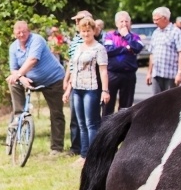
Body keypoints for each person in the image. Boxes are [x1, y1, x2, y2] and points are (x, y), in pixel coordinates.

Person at [6, 20, 67, 154]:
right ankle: (18, 116)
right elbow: (13, 69)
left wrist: (19, 74)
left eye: (24, 31)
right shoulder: (13, 48)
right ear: (14, 33)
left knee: (56, 113)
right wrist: (21, 77)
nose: (21, 34)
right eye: (18, 32)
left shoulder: (37, 40)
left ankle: (56, 147)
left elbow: (33, 60)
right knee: (14, 82)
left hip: (53, 79)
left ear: (29, 31)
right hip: (29, 79)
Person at [62, 16, 109, 165]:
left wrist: (105, 90)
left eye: (88, 31)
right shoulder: (78, 47)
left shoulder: (99, 48)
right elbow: (73, 69)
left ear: (93, 31)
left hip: (91, 89)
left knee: (91, 123)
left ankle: (93, 157)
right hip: (77, 88)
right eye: (83, 31)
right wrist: (68, 90)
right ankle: (84, 155)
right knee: (81, 123)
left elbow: (103, 71)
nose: (86, 34)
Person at [102, 10, 144, 115]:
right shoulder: (110, 35)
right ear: (116, 24)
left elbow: (137, 47)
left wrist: (127, 36)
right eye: (121, 21)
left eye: (126, 21)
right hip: (113, 74)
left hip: (129, 75)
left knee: (126, 107)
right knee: (108, 106)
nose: (124, 24)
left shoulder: (134, 37)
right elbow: (108, 50)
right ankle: (106, 129)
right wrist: (126, 48)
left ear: (130, 23)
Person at [65, 10, 93, 156]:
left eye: (79, 20)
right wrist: (66, 79)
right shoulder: (75, 39)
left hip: (88, 83)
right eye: (75, 21)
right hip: (73, 81)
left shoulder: (90, 39)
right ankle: (76, 147)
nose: (76, 23)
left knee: (88, 119)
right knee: (75, 118)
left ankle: (88, 149)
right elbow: (71, 61)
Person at [145, 6, 181, 94]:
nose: (154, 22)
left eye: (156, 20)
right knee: (156, 101)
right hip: (157, 73)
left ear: (165, 18)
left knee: (169, 102)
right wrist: (149, 73)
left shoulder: (176, 32)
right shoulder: (156, 32)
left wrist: (180, 73)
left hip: (171, 75)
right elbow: (152, 54)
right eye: (154, 20)